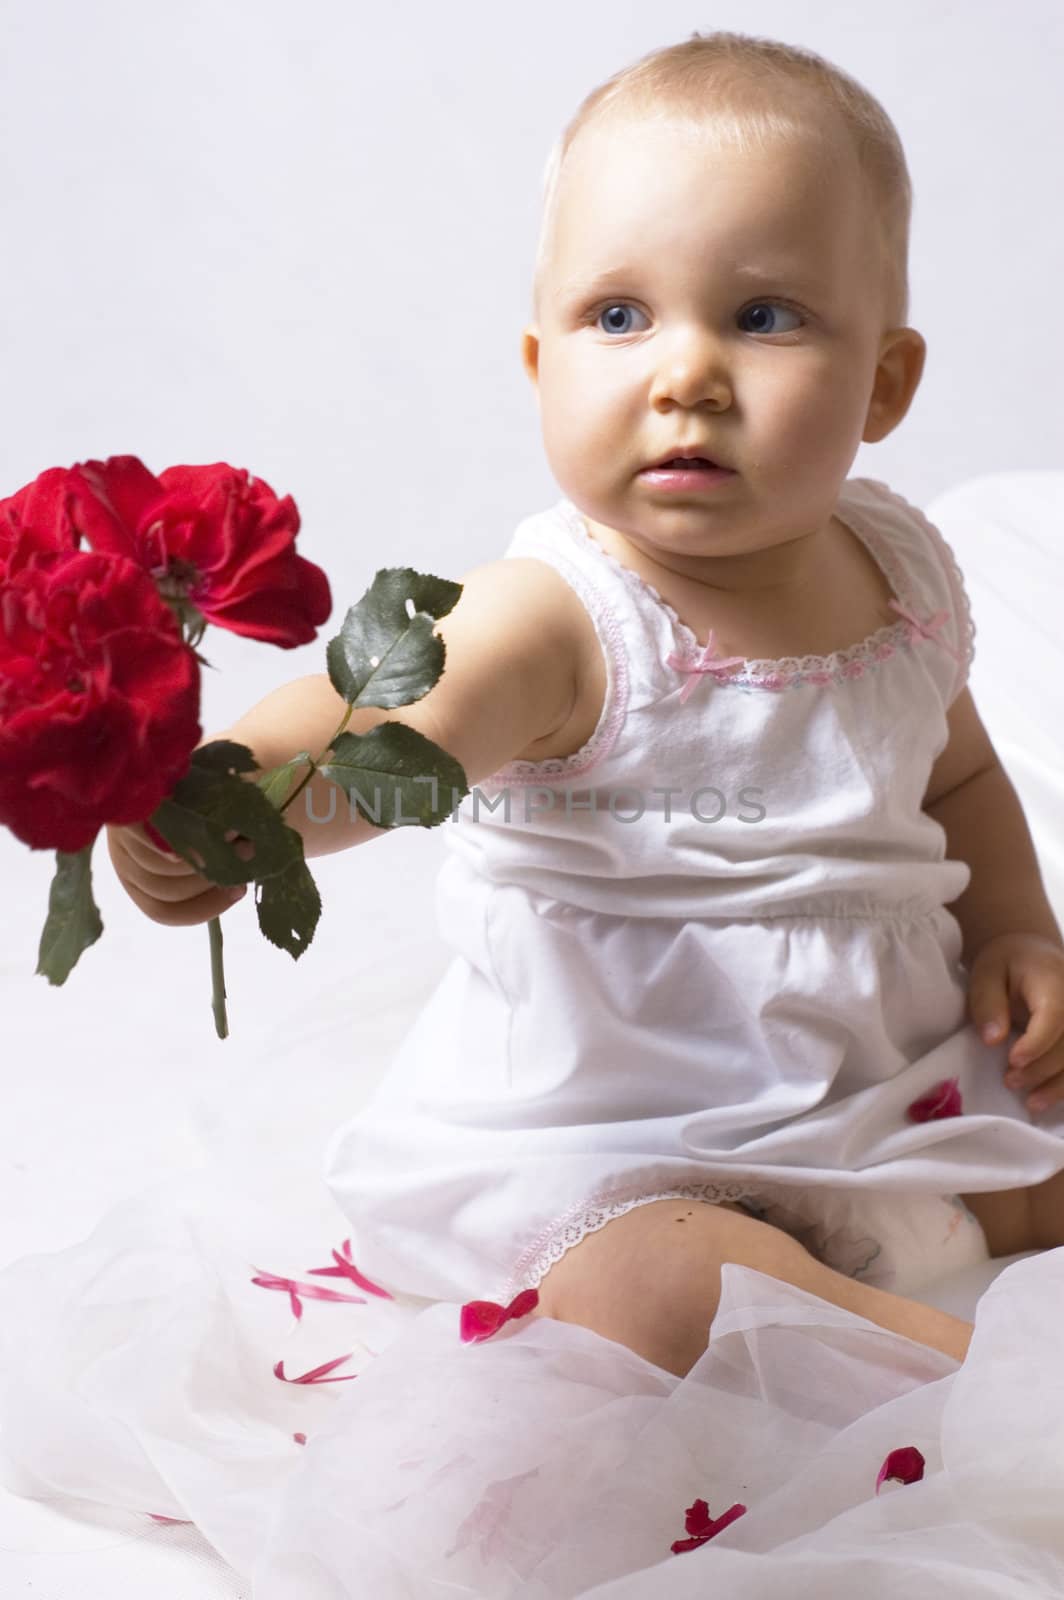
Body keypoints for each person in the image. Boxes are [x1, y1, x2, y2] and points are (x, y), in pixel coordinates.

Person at [5, 29, 1064, 1597]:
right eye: (620, 315)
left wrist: (1018, 928)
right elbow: (389, 723)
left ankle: (918, 1281)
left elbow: (956, 771)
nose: (687, 371)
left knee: (1033, 1135)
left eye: (764, 317)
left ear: (886, 380)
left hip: (868, 1078)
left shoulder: (899, 573)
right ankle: (954, 1377)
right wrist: (221, 806)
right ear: (538, 364)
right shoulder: (560, 619)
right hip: (624, 1144)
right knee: (644, 1291)